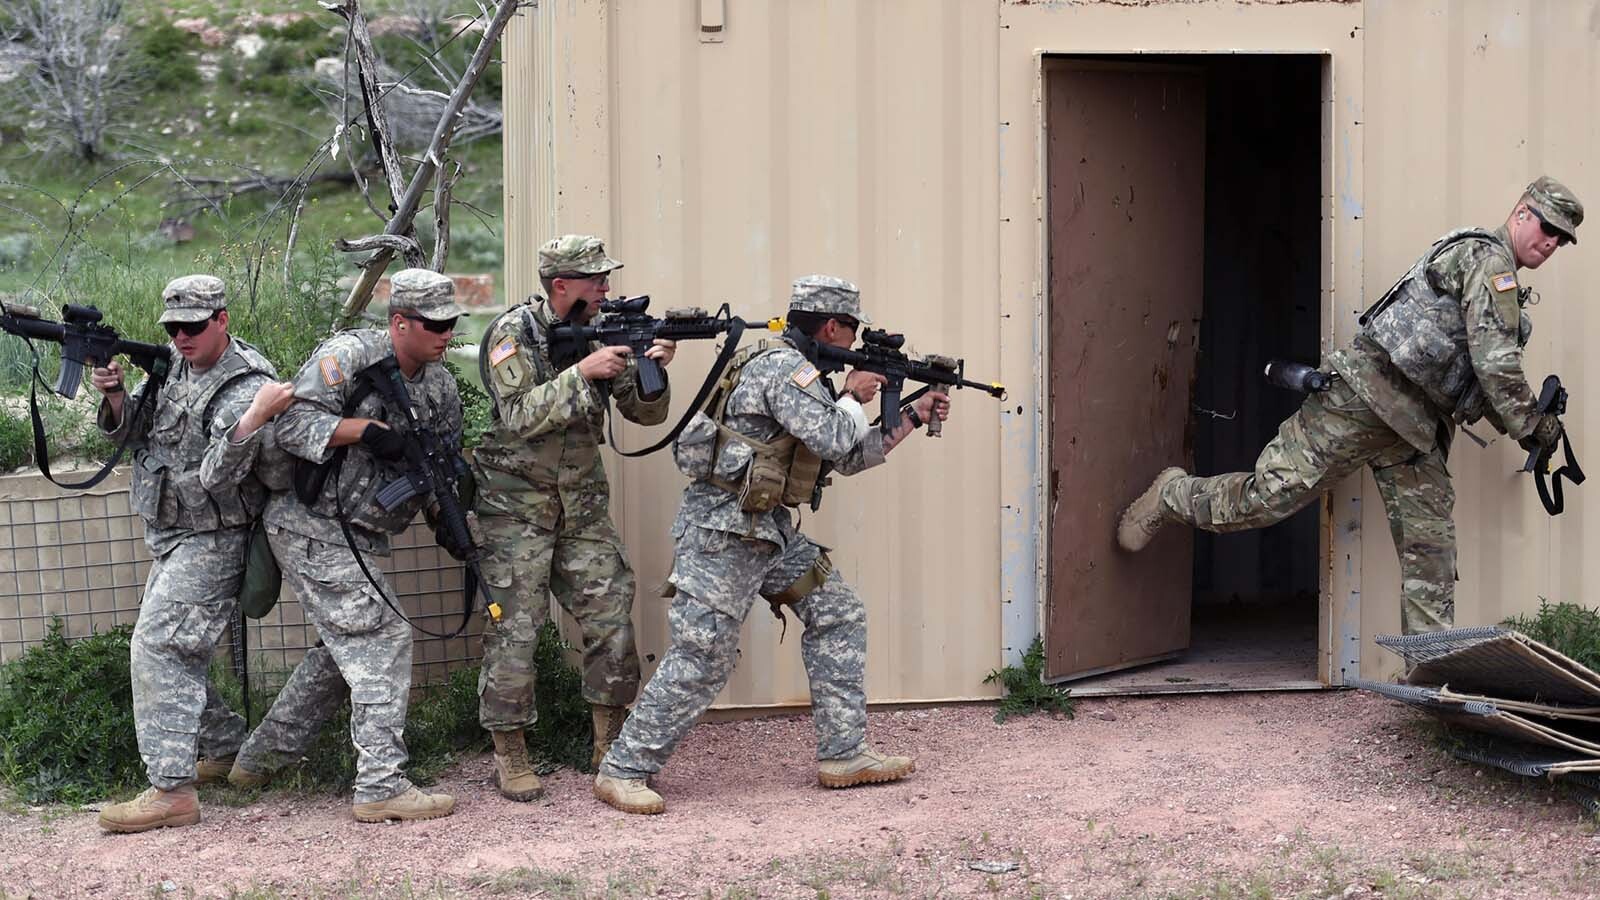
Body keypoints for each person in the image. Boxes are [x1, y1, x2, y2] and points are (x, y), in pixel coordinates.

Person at [1117, 176, 1584, 634]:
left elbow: (1481, 373)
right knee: (1265, 499)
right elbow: (1496, 367)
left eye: (1561, 240)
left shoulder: (1499, 278)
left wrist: (1528, 421)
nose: (1550, 244)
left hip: (1416, 428)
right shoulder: (1488, 264)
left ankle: (1428, 675)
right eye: (1548, 229)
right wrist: (1532, 425)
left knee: (1431, 553)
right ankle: (1172, 495)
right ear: (1522, 212)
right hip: (1362, 401)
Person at [593, 274, 951, 815]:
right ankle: (624, 768)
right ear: (832, 325)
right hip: (723, 535)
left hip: (767, 534)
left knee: (837, 613)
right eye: (851, 332)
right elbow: (836, 434)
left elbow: (846, 456)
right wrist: (854, 394)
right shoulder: (783, 369)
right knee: (703, 655)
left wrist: (911, 416)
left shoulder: (803, 377)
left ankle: (844, 752)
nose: (853, 344)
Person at [226, 268, 465, 822]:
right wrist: (361, 431)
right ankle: (381, 785)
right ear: (399, 322)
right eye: (434, 324)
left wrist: (450, 522)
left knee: (344, 652)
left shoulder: (440, 384)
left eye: (452, 323)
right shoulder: (350, 358)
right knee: (382, 635)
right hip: (312, 524)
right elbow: (287, 426)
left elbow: (437, 467)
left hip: (364, 532)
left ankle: (258, 761)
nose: (445, 333)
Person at [472, 234, 675, 801]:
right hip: (515, 510)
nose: (607, 288)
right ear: (561, 286)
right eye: (596, 280)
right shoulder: (513, 335)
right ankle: (510, 754)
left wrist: (651, 369)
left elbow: (645, 415)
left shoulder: (608, 328)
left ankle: (609, 745)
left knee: (611, 615)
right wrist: (582, 373)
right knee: (514, 627)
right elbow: (516, 416)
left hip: (582, 505)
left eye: (606, 279)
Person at [93, 275, 294, 833]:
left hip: (216, 537)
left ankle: (172, 791)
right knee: (175, 648)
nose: (182, 337)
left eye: (194, 327)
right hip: (171, 531)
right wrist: (112, 395)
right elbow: (135, 435)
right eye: (173, 327)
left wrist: (250, 422)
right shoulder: (174, 365)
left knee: (158, 645)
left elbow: (214, 474)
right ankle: (226, 746)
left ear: (222, 320)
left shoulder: (243, 385)